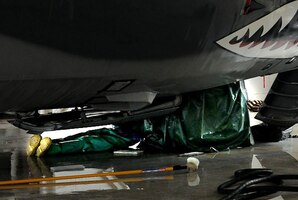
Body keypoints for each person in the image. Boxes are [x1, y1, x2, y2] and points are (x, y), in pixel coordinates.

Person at [25, 83, 253, 157]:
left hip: (161, 128)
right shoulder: (227, 98)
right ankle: (54, 147)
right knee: (114, 137)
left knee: (114, 136)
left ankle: (54, 147)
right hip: (170, 133)